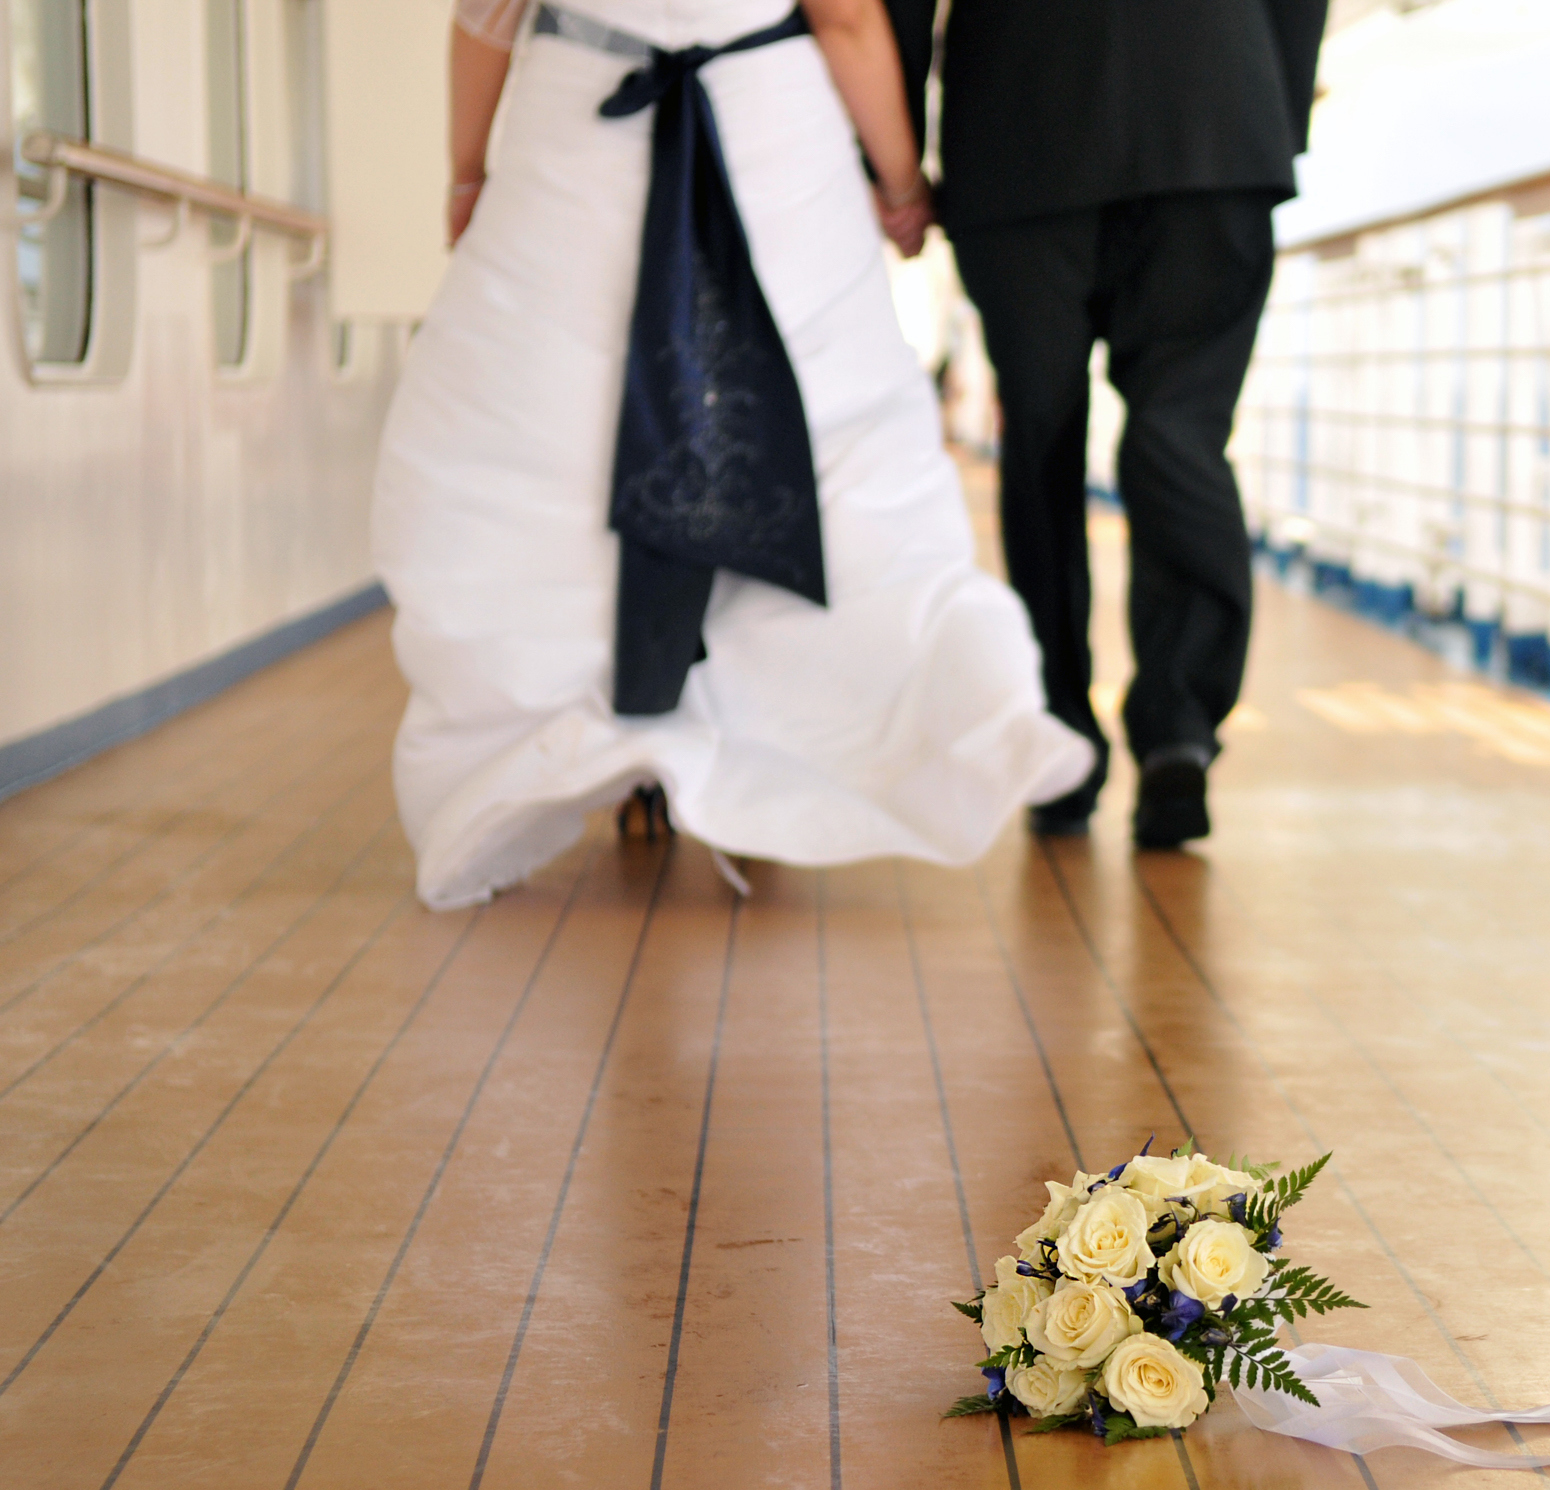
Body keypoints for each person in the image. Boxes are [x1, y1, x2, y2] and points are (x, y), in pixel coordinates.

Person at [375, 0, 1092, 910]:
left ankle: (611, 742)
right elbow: (848, 24)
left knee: (564, 445)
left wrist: (467, 172)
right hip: (770, 129)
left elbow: (484, 21)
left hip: (578, 125)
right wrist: (902, 183)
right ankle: (781, 747)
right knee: (811, 436)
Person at [885, 0, 1331, 847]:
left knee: (1042, 443)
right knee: (1182, 433)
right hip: (1215, 120)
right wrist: (1271, 103)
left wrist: (895, 153)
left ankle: (1060, 739)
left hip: (1022, 124)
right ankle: (1178, 735)